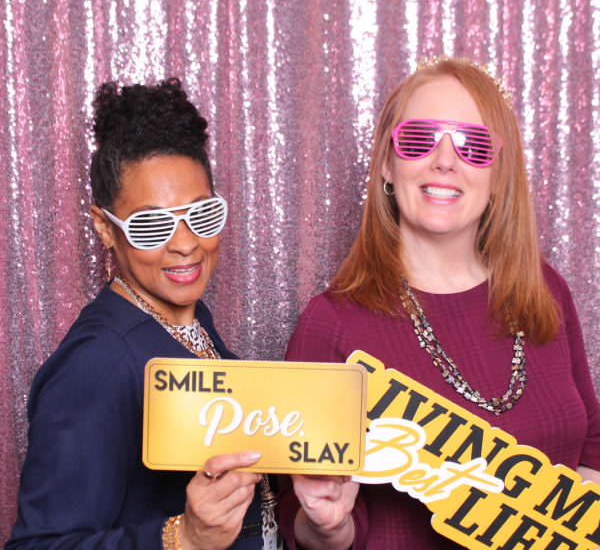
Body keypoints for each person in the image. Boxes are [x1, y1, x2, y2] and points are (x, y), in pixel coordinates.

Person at [278, 57, 600, 549]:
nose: (445, 161)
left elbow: (591, 444)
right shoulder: (333, 325)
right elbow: (299, 518)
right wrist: (329, 525)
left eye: (474, 145)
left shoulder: (544, 290)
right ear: (387, 164)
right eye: (418, 139)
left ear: (499, 173)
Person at [7, 79, 278, 549]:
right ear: (104, 228)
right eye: (152, 224)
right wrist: (185, 537)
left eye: (202, 215)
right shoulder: (95, 364)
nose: (186, 244)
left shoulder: (191, 319)